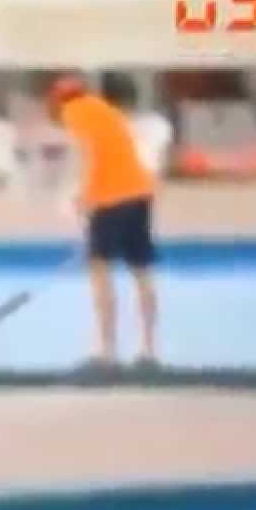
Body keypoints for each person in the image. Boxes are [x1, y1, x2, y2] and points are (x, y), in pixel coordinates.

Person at [47, 75, 159, 370]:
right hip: (140, 194)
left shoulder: (73, 113)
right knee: (141, 272)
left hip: (110, 199)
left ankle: (107, 352)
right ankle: (148, 350)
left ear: (57, 102)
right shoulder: (107, 110)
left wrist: (82, 197)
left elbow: (87, 155)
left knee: (99, 272)